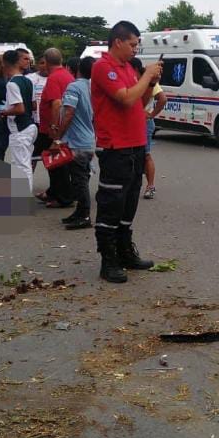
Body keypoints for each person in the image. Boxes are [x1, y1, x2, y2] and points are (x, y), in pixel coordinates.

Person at [90, 20, 160, 282]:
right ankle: (108, 260)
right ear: (118, 41)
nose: (135, 50)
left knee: (129, 202)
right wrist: (145, 76)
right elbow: (125, 98)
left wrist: (151, 83)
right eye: (132, 44)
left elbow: (139, 102)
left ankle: (124, 251)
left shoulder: (129, 69)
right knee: (111, 204)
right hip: (115, 147)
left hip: (135, 144)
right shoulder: (103, 67)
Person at [58, 56, 96, 230]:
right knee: (81, 178)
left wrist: (58, 135)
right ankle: (80, 213)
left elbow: (69, 113)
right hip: (88, 138)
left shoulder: (74, 87)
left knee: (79, 180)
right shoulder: (91, 87)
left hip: (77, 141)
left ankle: (84, 215)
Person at [34, 49, 74, 207]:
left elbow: (56, 104)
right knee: (56, 162)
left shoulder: (54, 78)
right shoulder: (67, 75)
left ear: (47, 61)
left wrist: (53, 127)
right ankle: (54, 192)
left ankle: (63, 197)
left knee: (55, 163)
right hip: (61, 127)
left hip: (52, 129)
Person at [0, 53, 38, 192]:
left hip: (20, 128)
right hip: (30, 126)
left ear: (5, 63)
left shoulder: (12, 84)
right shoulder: (28, 81)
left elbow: (19, 108)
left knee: (22, 165)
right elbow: (33, 105)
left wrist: (3, 112)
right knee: (21, 162)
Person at [129, 57, 167, 200]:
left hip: (144, 122)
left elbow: (162, 99)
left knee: (145, 154)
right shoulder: (138, 80)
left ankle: (150, 186)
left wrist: (150, 115)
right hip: (136, 121)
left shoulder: (146, 81)